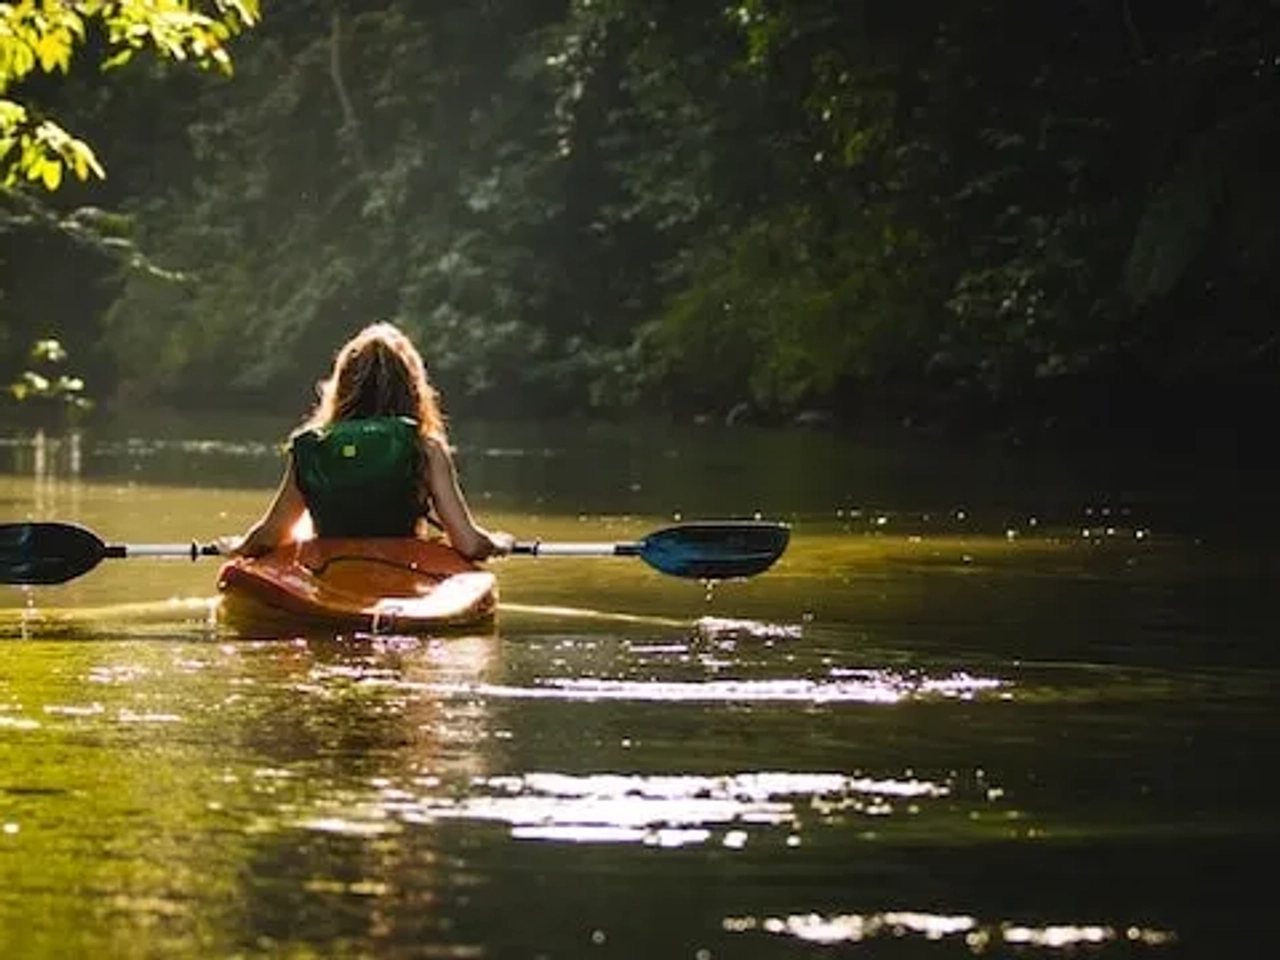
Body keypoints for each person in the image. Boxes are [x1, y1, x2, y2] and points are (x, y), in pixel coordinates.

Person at [221, 322, 513, 561]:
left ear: (343, 385)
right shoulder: (425, 448)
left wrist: (238, 546)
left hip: (329, 574)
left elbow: (272, 535)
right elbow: (469, 545)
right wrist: (498, 543)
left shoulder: (313, 448)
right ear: (412, 388)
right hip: (405, 573)